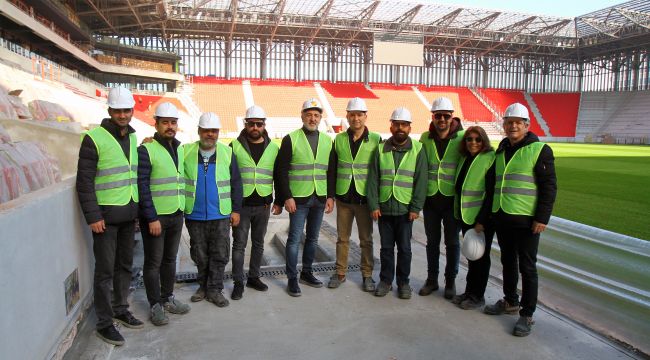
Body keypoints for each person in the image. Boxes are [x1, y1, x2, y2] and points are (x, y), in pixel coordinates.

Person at [76, 86, 143, 346]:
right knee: (104, 272)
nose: (123, 115)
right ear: (110, 111)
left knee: (124, 266)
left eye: (127, 110)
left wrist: (135, 210)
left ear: (132, 111)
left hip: (128, 215)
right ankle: (105, 323)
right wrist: (93, 215)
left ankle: (120, 308)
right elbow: (84, 182)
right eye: (118, 111)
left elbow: (131, 177)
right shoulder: (94, 138)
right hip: (104, 218)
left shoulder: (134, 138)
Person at [483, 103, 557, 337]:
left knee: (527, 267)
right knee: (508, 262)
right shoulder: (501, 150)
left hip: (527, 221)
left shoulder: (539, 149)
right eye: (509, 122)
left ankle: (527, 313)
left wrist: (542, 218)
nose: (513, 125)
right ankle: (510, 301)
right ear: (504, 125)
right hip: (503, 217)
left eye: (518, 122)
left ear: (527, 125)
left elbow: (549, 187)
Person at [274, 98, 335, 297]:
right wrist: (286, 197)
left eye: (316, 115)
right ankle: (292, 278)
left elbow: (331, 171)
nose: (312, 118)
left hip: (319, 197)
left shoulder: (327, 141)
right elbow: (281, 171)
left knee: (313, 238)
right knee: (293, 240)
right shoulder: (291, 139)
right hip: (298, 198)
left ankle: (306, 273)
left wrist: (330, 196)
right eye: (308, 114)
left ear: (320, 118)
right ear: (302, 116)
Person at [137, 102, 191, 326]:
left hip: (176, 213)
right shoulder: (146, 149)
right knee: (153, 262)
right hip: (156, 218)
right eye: (165, 122)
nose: (170, 127)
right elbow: (142, 186)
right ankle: (155, 305)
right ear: (156, 124)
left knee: (170, 260)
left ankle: (168, 297)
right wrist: (151, 217)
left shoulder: (179, 148)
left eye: (173, 123)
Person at [366, 107, 428, 299]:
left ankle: (403, 283)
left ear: (409, 128)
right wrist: (374, 205)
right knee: (385, 249)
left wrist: (416, 207)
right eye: (397, 124)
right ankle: (385, 281)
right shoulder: (380, 149)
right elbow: (373, 179)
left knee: (405, 249)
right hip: (384, 209)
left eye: (404, 125)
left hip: (405, 210)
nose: (400, 128)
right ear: (391, 126)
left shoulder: (418, 149)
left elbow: (421, 180)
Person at [184, 112, 243, 308]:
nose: (210, 134)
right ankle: (203, 286)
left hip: (220, 214)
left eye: (214, 131)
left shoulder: (227, 153)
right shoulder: (184, 151)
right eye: (206, 130)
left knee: (220, 253)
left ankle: (215, 289)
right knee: (199, 253)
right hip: (194, 213)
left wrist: (236, 210)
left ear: (218, 133)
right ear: (199, 131)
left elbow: (236, 183)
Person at [327, 98, 381, 292]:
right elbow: (332, 169)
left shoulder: (375, 140)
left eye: (359, 114)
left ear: (365, 116)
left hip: (365, 199)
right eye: (352, 114)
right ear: (347, 116)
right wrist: (330, 196)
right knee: (342, 238)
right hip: (343, 198)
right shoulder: (339, 139)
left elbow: (379, 172)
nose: (356, 118)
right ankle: (340, 272)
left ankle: (367, 275)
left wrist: (376, 201)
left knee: (366, 239)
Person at [230, 105, 280, 300]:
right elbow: (229, 176)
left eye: (259, 124)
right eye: (251, 124)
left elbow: (278, 175)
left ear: (264, 125)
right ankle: (238, 282)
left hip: (263, 205)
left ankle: (254, 277)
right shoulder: (234, 146)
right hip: (241, 206)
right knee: (239, 245)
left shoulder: (273, 148)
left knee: (258, 243)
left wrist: (279, 201)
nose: (255, 127)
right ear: (246, 124)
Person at [418, 97, 465, 299]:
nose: (442, 120)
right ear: (433, 117)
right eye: (438, 116)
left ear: (452, 117)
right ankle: (432, 280)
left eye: (446, 116)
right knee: (432, 242)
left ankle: (450, 281)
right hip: (431, 199)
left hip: (451, 200)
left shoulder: (463, 137)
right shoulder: (425, 138)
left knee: (452, 243)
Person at [450, 126, 495, 310]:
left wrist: (482, 221)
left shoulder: (489, 159)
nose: (473, 142)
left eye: (477, 139)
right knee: (471, 256)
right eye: (469, 139)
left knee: (481, 259)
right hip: (465, 216)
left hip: (480, 220)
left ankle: (478, 296)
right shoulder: (466, 158)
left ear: (483, 141)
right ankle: (470, 291)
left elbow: (491, 193)